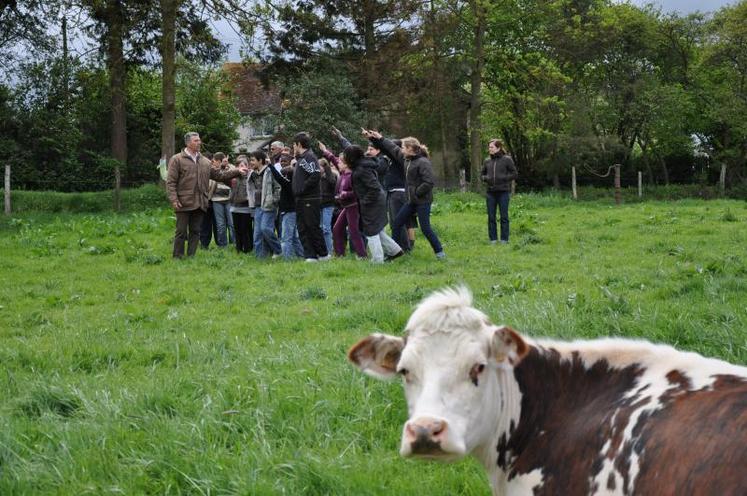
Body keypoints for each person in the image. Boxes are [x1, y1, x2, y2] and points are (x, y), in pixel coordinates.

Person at [166, 132, 248, 258]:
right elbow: (171, 182)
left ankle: (191, 256)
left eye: (199, 140)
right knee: (181, 232)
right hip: (183, 201)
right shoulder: (177, 159)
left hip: (200, 202)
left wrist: (237, 171)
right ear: (187, 143)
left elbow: (219, 175)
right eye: (196, 141)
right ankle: (178, 256)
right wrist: (174, 199)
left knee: (195, 231)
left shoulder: (205, 161)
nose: (199, 143)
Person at [366, 131, 445, 259]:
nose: (401, 150)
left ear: (410, 148)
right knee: (397, 223)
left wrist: (415, 193)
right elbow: (392, 148)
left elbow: (429, 182)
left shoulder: (423, 162)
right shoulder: (406, 159)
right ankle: (394, 252)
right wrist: (378, 139)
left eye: (403, 147)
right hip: (411, 201)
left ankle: (440, 252)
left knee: (426, 228)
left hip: (422, 201)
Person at [345, 145, 403, 263]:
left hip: (372, 203)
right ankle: (395, 251)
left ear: (351, 158)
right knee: (378, 230)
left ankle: (377, 260)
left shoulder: (361, 169)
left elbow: (374, 188)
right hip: (375, 201)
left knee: (371, 231)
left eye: (346, 156)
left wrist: (364, 201)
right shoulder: (362, 165)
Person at [292, 132, 329, 262]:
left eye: (294, 144)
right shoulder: (301, 159)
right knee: (303, 228)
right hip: (301, 199)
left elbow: (315, 174)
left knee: (312, 227)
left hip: (309, 199)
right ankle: (310, 255)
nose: (293, 147)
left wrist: (302, 189)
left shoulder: (309, 157)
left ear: (299, 144)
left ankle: (323, 254)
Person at [481, 138, 518, 244]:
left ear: (498, 148)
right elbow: (482, 174)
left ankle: (504, 239)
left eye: (491, 147)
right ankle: (493, 239)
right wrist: (485, 178)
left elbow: (514, 173)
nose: (489, 149)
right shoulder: (487, 161)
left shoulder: (507, 159)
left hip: (503, 192)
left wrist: (504, 178)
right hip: (490, 193)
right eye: (489, 147)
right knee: (491, 217)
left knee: (504, 216)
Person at [268, 152, 305, 259]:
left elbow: (279, 178)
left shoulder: (292, 179)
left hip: (290, 210)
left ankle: (287, 259)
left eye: (286, 162)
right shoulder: (288, 176)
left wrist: (270, 165)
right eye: (281, 162)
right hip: (288, 210)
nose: (283, 164)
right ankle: (302, 255)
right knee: (294, 237)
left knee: (286, 237)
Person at [251, 150, 282, 258]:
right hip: (258, 206)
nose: (251, 162)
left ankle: (278, 249)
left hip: (269, 206)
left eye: (253, 160)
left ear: (260, 160)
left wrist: (274, 200)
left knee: (265, 228)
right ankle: (260, 258)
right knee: (257, 234)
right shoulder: (253, 174)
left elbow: (278, 187)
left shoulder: (270, 171)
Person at [229, 155, 254, 253]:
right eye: (240, 165)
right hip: (235, 207)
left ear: (248, 166)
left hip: (246, 208)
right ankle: (238, 248)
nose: (242, 167)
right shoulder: (233, 177)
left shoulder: (250, 177)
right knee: (237, 229)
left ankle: (247, 248)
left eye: (244, 165)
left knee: (245, 229)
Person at [210, 152, 235, 248]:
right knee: (220, 224)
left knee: (231, 223)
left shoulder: (231, 168)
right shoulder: (213, 170)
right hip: (217, 200)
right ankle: (222, 245)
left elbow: (235, 174)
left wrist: (227, 165)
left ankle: (234, 243)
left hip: (229, 200)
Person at [318, 151, 339, 255]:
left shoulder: (330, 177)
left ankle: (329, 251)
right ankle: (323, 250)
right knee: (321, 228)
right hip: (319, 206)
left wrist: (327, 168)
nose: (318, 169)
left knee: (326, 228)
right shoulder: (317, 178)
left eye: (320, 166)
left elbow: (332, 183)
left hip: (328, 205)